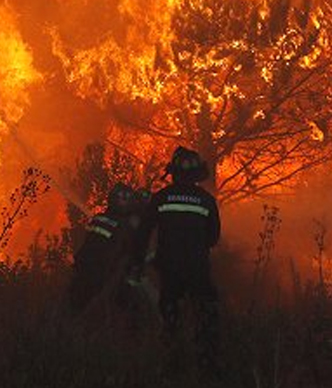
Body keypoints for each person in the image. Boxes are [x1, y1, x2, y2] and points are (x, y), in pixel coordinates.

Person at [133, 146, 221, 369]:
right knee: (204, 312)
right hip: (197, 268)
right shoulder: (207, 200)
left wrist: (138, 260)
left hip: (169, 267)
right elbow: (213, 238)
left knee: (170, 313)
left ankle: (171, 361)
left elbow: (143, 232)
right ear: (198, 173)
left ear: (173, 172)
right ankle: (206, 361)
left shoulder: (161, 198)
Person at [67, 183, 140, 314]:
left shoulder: (98, 218)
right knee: (92, 309)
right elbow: (129, 252)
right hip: (101, 273)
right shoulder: (125, 226)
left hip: (84, 267)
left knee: (74, 306)